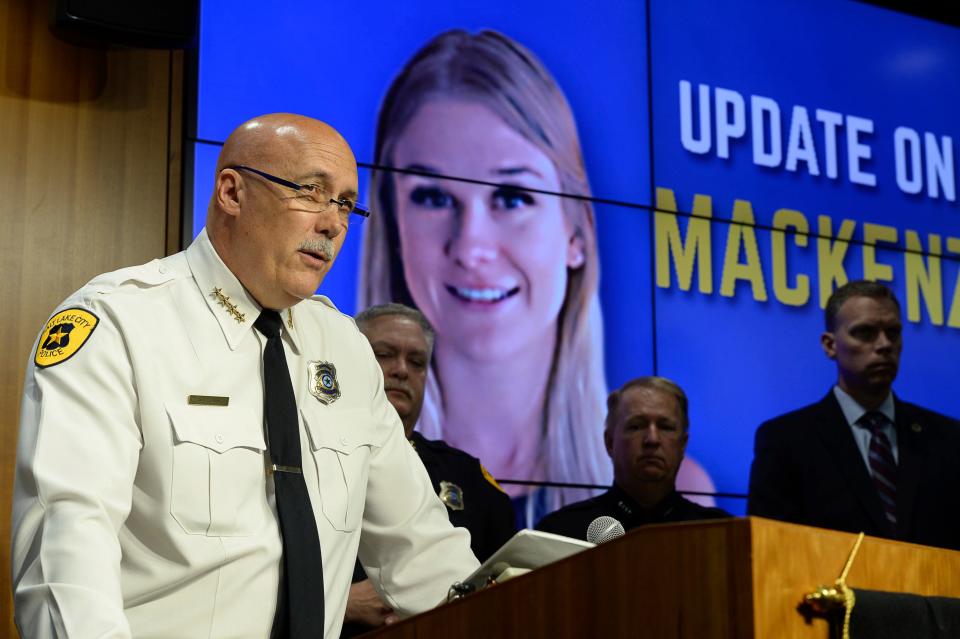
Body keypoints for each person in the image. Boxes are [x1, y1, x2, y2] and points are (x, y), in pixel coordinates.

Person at [11, 113, 479, 639]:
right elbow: (65, 557)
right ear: (232, 192)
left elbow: (421, 550)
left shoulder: (344, 348)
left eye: (345, 203)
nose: (333, 223)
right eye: (310, 192)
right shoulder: (118, 324)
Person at [358, 29, 716, 525]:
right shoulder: (343, 470)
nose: (472, 247)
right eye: (433, 197)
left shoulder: (690, 495)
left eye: (512, 197)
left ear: (577, 233)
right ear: (394, 228)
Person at [341, 303, 516, 636]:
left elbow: (503, 580)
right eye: (384, 355)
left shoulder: (470, 479)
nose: (401, 370)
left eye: (416, 362)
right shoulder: (312, 453)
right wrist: (342, 602)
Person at [748, 280, 960, 550]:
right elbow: (772, 549)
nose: (884, 344)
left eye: (893, 332)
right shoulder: (786, 440)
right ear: (830, 345)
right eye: (865, 332)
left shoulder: (948, 440)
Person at [536, 377, 729, 540]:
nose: (652, 439)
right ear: (610, 443)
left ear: (682, 445)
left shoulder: (722, 533)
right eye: (636, 426)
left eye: (665, 427)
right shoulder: (561, 532)